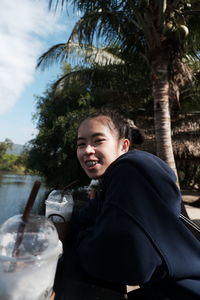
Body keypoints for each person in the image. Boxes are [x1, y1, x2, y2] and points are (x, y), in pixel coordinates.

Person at [70, 110, 200, 300]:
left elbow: (127, 264)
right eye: (81, 144)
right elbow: (84, 217)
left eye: (98, 141)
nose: (87, 150)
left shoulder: (130, 171)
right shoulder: (112, 183)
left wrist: (81, 238)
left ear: (123, 146)